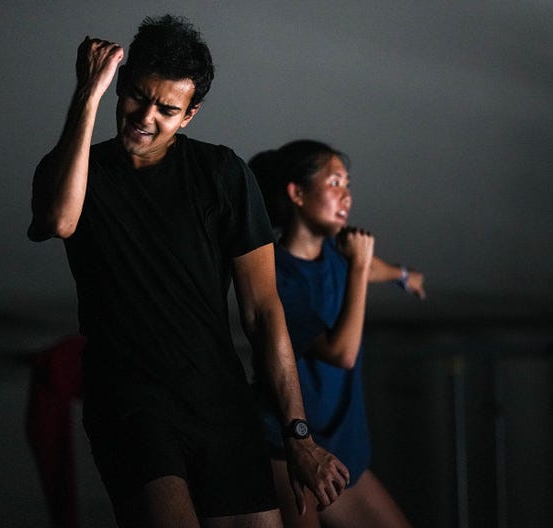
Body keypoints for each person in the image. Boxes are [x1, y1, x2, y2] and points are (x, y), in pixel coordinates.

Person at [28, 16, 349, 528]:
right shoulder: (76, 171)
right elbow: (59, 219)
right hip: (129, 404)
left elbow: (265, 312)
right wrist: (88, 92)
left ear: (191, 114)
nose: (145, 117)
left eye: (167, 108)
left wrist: (299, 434)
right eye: (136, 96)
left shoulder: (221, 174)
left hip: (220, 403)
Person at [249, 140, 424, 527]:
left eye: (348, 183)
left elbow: (372, 265)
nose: (346, 194)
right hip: (290, 451)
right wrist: (359, 268)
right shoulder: (275, 275)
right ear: (296, 193)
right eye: (334, 182)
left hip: (343, 450)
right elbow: (341, 353)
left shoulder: (336, 253)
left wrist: (403, 276)